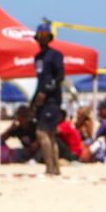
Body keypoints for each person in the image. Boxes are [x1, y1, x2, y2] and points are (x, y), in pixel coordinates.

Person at [31, 22, 64, 176]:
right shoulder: (37, 58)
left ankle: (50, 168)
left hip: (52, 100)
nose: (42, 38)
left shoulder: (55, 55)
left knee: (42, 132)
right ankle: (55, 168)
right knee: (49, 135)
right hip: (42, 101)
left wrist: (46, 91)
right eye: (40, 36)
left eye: (45, 35)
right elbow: (39, 81)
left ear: (49, 37)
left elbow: (60, 77)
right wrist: (33, 102)